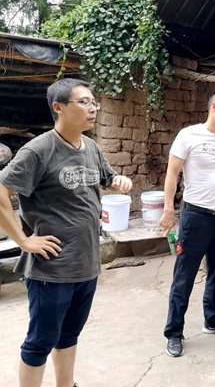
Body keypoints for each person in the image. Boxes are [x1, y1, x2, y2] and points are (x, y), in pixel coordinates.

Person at [0, 78, 132, 387]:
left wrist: (119, 181)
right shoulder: (39, 150)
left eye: (94, 102)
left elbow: (108, 179)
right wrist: (23, 240)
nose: (92, 108)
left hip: (86, 263)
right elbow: (1, 192)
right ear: (59, 107)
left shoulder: (92, 148)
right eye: (84, 102)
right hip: (52, 268)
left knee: (69, 334)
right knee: (40, 341)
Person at [160, 91, 215, 358]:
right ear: (213, 107)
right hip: (195, 217)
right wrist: (168, 209)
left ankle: (213, 320)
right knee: (184, 276)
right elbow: (172, 172)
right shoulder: (188, 135)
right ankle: (174, 332)